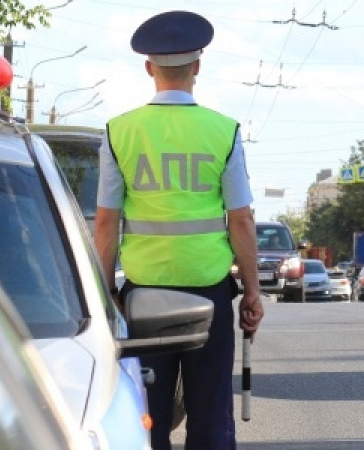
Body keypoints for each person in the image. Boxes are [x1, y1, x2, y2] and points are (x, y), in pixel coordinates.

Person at [94, 10, 263, 450]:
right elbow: (240, 219)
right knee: (209, 415)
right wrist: (251, 291)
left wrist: (105, 290)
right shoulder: (223, 131)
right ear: (198, 68)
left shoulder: (119, 131)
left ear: (149, 68)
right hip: (207, 290)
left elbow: (108, 221)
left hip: (144, 293)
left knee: (147, 416)